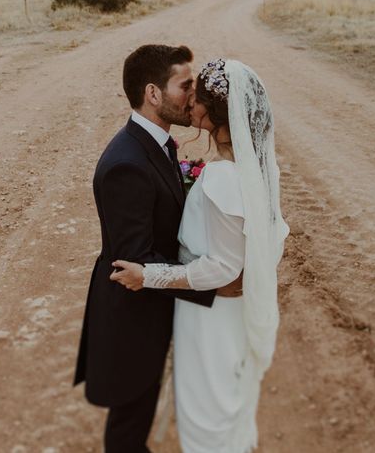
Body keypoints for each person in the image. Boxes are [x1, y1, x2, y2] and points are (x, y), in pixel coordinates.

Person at [111, 58, 290, 453]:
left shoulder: (222, 178)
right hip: (230, 314)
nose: (189, 101)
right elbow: (269, 238)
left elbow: (222, 267)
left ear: (212, 111)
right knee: (228, 404)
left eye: (196, 96)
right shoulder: (259, 168)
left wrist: (149, 275)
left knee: (207, 416)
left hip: (208, 318)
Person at [74, 45, 241, 453]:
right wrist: (211, 285)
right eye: (186, 85)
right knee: (129, 425)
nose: (194, 94)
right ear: (153, 93)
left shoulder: (157, 143)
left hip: (155, 311)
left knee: (139, 415)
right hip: (134, 320)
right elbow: (135, 261)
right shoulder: (126, 164)